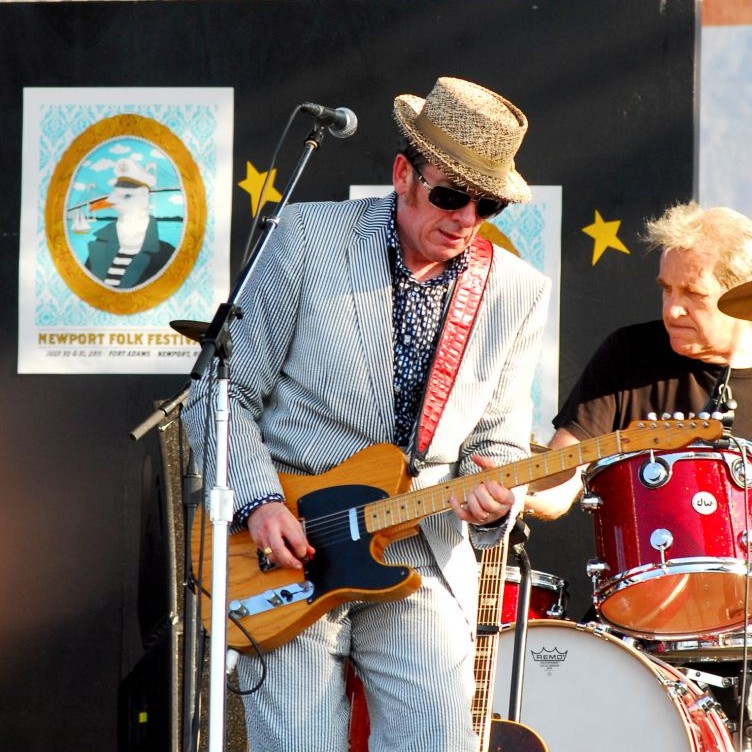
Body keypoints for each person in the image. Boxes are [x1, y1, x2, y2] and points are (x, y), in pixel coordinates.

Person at [183, 76, 550, 752]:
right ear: (403, 174)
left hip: (420, 544)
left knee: (438, 742)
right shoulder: (304, 239)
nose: (467, 218)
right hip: (287, 542)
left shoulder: (516, 291)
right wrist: (260, 502)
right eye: (449, 195)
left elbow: (498, 434)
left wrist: (496, 491)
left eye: (487, 204)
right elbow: (220, 390)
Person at [529, 202, 752, 519]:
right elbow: (560, 482)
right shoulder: (629, 352)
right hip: (653, 566)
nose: (672, 310)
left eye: (693, 293)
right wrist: (512, 496)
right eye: (667, 289)